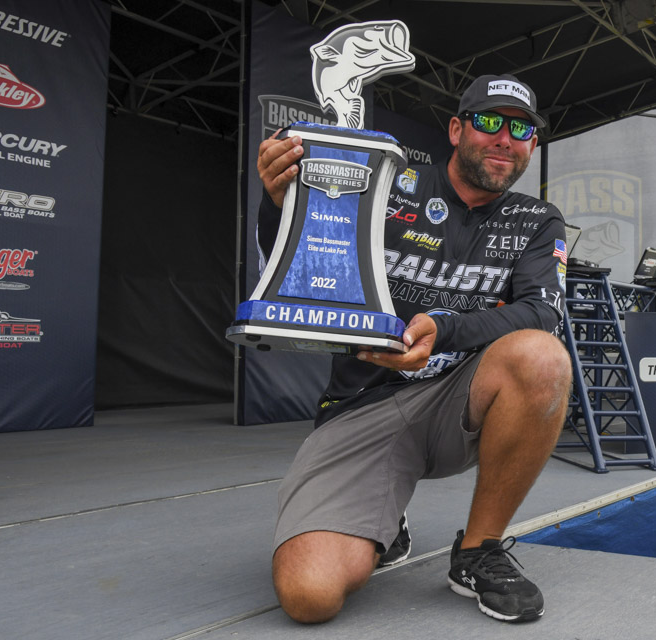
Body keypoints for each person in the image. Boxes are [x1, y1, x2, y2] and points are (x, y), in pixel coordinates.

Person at [256, 73, 572, 624]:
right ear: (456, 130)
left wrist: (443, 332)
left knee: (543, 356)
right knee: (310, 596)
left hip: (458, 403)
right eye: (489, 122)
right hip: (363, 406)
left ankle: (477, 551)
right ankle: (384, 519)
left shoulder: (537, 220)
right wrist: (280, 204)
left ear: (532, 144)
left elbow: (543, 312)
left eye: (521, 129)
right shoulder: (386, 183)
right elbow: (307, 260)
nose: (505, 138)